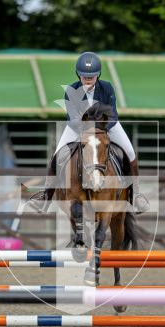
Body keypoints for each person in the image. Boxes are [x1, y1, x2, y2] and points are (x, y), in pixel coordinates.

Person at [28, 51, 150, 214]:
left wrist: (99, 128)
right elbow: (71, 117)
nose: (87, 79)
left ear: (98, 75)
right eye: (84, 76)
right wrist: (86, 130)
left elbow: (112, 115)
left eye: (91, 76)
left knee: (129, 152)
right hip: (77, 128)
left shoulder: (106, 88)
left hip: (107, 127)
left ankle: (135, 196)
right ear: (78, 74)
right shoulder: (72, 89)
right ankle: (45, 196)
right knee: (57, 155)